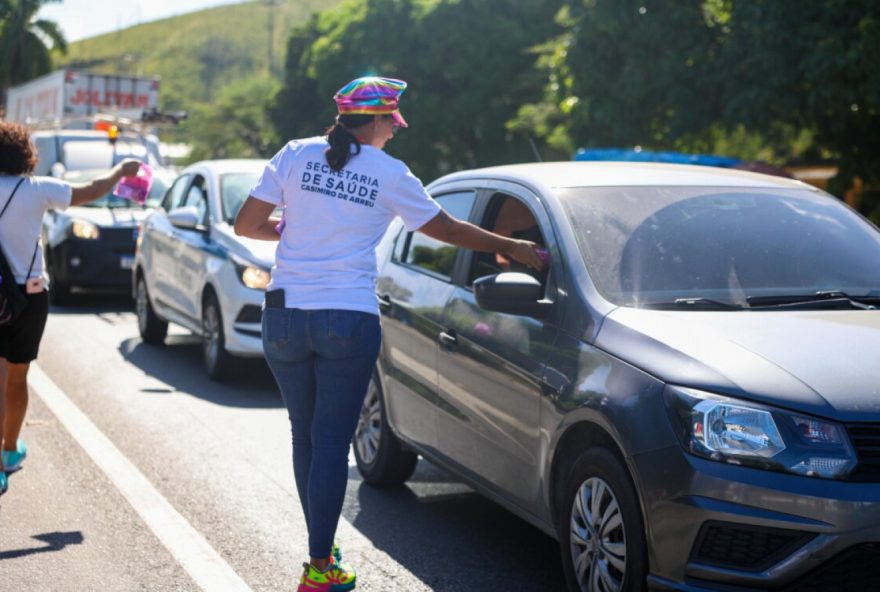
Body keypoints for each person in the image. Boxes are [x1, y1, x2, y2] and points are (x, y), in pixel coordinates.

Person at [234, 76, 543, 591]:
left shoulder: (293, 153)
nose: (394, 133)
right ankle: (319, 569)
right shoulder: (390, 173)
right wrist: (512, 247)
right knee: (332, 444)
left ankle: (321, 546)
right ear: (377, 121)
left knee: (304, 435)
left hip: (284, 315)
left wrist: (291, 229)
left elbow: (248, 223)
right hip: (345, 318)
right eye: (391, 123)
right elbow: (445, 229)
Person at [0, 121, 141, 496]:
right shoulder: (37, 190)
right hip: (29, 296)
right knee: (16, 376)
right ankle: (9, 453)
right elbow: (92, 191)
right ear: (25, 155)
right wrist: (121, 170)